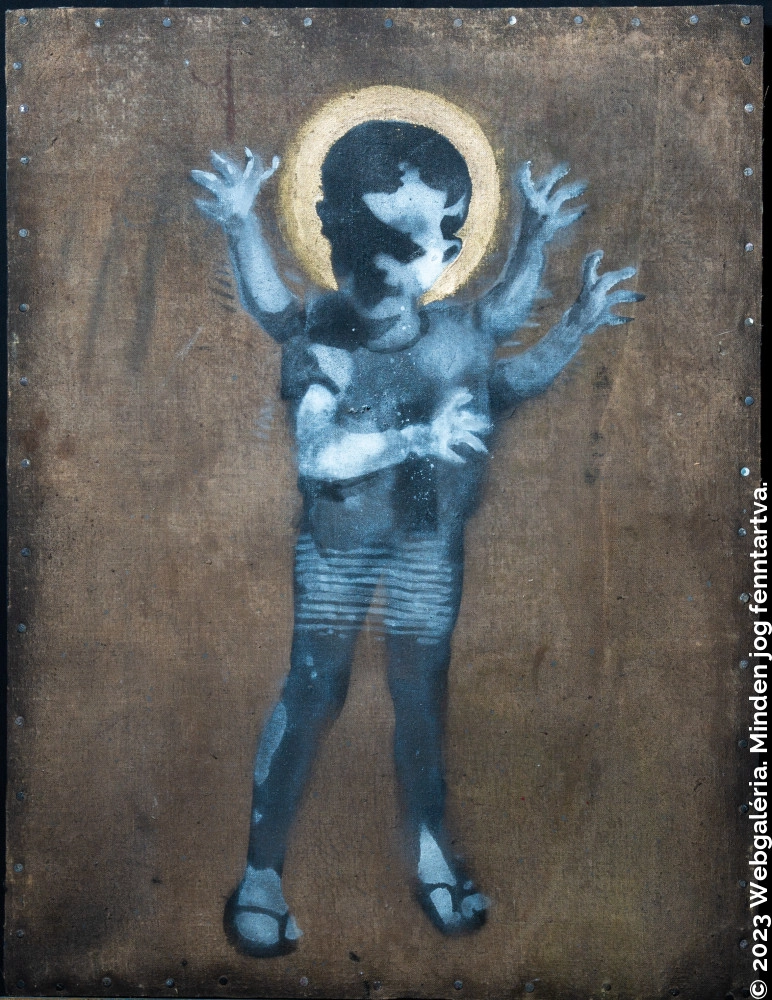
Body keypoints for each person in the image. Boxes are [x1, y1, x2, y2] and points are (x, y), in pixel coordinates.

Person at [192, 120, 641, 956]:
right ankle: (261, 871)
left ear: (446, 251)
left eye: (405, 243)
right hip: (338, 546)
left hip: (426, 547)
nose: (378, 266)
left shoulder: (458, 334)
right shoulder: (322, 337)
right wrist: (240, 223)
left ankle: (430, 849)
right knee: (312, 690)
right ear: (329, 234)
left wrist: (568, 309)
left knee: (419, 697)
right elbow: (320, 453)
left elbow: (508, 360)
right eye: (359, 238)